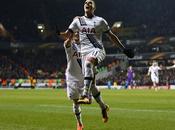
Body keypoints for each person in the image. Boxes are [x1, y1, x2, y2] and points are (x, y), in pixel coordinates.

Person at [58, 0, 134, 104]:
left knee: (89, 62)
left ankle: (85, 95)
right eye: (85, 3)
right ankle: (103, 107)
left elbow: (111, 36)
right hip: (85, 54)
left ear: (94, 7)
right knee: (92, 84)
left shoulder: (100, 21)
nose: (87, 4)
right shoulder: (78, 21)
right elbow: (67, 35)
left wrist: (123, 49)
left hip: (98, 50)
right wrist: (58, 32)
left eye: (90, 3)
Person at [63, 32, 109, 130]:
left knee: (89, 100)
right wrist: (71, 32)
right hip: (72, 78)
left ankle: (103, 106)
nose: (76, 34)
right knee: (75, 102)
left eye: (78, 32)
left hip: (85, 76)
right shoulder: (70, 44)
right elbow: (67, 43)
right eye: (75, 32)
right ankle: (79, 123)